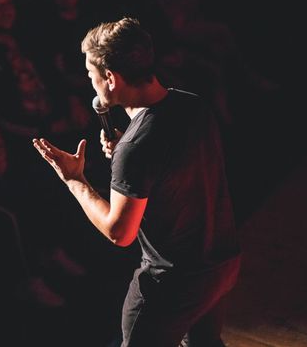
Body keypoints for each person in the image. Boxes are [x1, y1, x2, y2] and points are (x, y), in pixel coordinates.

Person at [32, 17, 241, 346]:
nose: (90, 82)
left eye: (90, 74)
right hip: (220, 264)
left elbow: (120, 232)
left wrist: (75, 180)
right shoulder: (194, 105)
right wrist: (128, 152)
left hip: (172, 283)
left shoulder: (135, 147)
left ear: (110, 78)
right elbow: (177, 169)